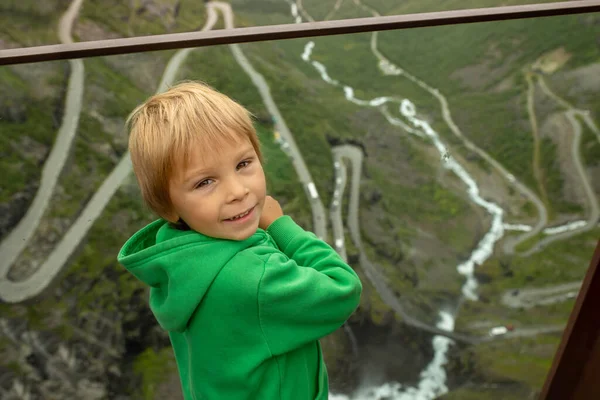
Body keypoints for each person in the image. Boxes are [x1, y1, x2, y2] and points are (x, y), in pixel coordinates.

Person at [117, 81, 362, 400]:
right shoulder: (254, 277)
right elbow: (343, 289)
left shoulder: (175, 256)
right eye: (205, 182)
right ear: (168, 206)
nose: (237, 191)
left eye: (243, 164)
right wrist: (279, 224)